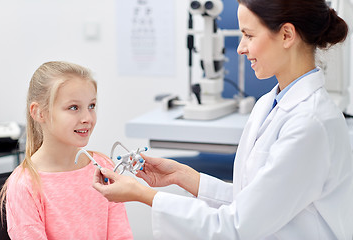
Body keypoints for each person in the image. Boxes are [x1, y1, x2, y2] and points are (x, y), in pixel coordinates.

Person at [93, 0, 353, 239]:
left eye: (249, 35)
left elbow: (237, 225)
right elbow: (252, 200)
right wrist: (182, 175)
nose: (240, 48)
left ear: (286, 35)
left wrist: (144, 195)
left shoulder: (310, 124)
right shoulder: (269, 104)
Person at [0, 61, 133, 239]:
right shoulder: (24, 185)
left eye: (91, 106)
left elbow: (121, 235)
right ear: (39, 113)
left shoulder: (103, 167)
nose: (87, 118)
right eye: (73, 107)